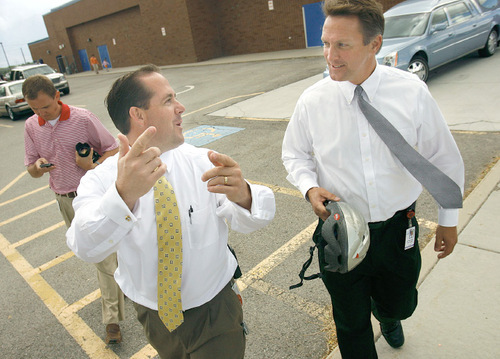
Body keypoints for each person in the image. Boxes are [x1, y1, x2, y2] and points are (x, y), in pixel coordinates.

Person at [281, 0, 464, 358]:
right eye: (325, 43)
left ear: (374, 45)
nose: (330, 55)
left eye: (342, 45)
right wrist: (309, 187)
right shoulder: (313, 101)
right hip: (341, 233)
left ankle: (389, 316)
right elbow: (294, 154)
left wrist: (449, 220)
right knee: (350, 323)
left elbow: (443, 157)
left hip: (398, 230)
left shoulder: (410, 92)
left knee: (400, 304)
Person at [66, 64, 276, 358]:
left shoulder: (203, 161)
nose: (181, 107)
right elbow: (85, 246)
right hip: (155, 318)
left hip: (214, 309)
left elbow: (259, 216)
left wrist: (244, 195)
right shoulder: (101, 180)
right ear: (138, 115)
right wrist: (123, 195)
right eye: (168, 100)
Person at [23, 74, 125, 345]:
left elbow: (113, 150)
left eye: (45, 106)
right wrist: (38, 167)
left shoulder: (82, 118)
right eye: (35, 108)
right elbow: (31, 168)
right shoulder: (32, 126)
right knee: (93, 252)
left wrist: (91, 166)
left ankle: (112, 320)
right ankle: (123, 280)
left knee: (102, 257)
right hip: (64, 199)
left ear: (57, 95)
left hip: (93, 197)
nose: (41, 113)